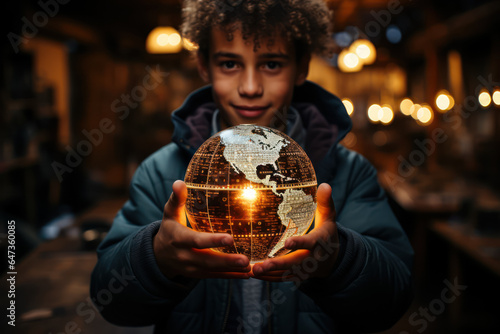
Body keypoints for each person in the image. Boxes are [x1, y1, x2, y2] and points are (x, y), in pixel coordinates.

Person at [90, 1, 414, 333]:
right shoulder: (159, 173)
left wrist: (341, 260)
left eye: (271, 64)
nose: (249, 87)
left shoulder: (351, 172)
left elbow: (393, 299)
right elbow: (109, 300)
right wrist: (155, 257)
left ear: (302, 67)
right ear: (204, 66)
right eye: (229, 63)